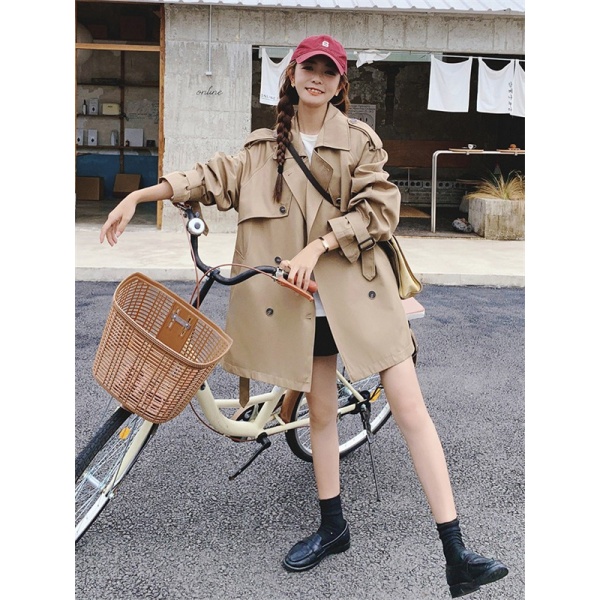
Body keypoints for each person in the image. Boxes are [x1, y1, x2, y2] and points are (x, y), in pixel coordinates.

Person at [100, 34, 508, 598]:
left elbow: (380, 208)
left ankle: (456, 550)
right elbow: (207, 177)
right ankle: (332, 526)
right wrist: (138, 196)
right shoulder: (261, 149)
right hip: (299, 304)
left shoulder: (359, 142)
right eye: (307, 67)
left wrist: (318, 247)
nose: (316, 77)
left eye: (328, 70)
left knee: (411, 412)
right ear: (291, 75)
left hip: (360, 294)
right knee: (320, 415)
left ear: (340, 84)